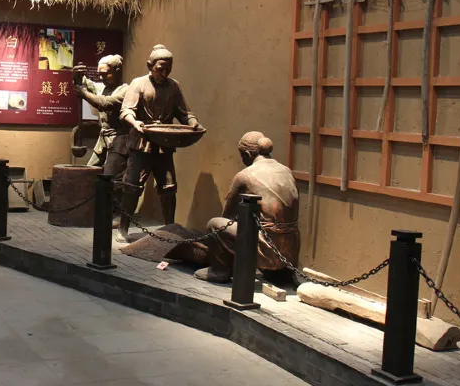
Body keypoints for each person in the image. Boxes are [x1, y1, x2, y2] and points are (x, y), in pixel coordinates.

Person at [117, 44, 201, 242]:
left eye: (168, 69)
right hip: (142, 143)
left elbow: (184, 112)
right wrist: (135, 123)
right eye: (160, 69)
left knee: (169, 188)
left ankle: (169, 229)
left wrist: (192, 122)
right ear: (150, 65)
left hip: (164, 144)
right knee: (132, 187)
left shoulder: (174, 86)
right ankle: (123, 228)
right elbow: (126, 110)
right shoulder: (138, 83)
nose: (164, 73)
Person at [194, 132, 300, 285]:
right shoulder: (286, 170)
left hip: (267, 248)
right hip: (290, 250)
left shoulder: (245, 175)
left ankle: (220, 271)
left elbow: (227, 216)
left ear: (248, 154)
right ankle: (284, 273)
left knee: (214, 224)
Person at [74, 55, 131, 212]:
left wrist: (84, 93)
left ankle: (117, 213)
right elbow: (83, 83)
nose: (101, 78)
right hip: (103, 139)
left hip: (119, 139)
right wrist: (76, 75)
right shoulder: (101, 88)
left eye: (105, 74)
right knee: (89, 171)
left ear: (117, 70)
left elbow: (105, 103)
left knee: (112, 177)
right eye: (100, 74)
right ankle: (93, 209)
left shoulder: (126, 90)